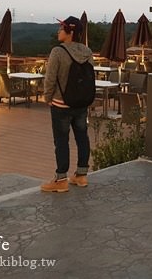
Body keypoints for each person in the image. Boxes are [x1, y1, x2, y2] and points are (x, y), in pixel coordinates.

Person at [41, 16, 94, 192]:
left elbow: (50, 78)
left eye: (61, 28)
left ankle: (61, 179)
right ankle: (81, 176)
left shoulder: (57, 52)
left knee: (61, 141)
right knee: (82, 137)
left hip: (61, 104)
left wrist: (47, 97)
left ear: (70, 32)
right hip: (81, 104)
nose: (58, 31)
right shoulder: (87, 51)